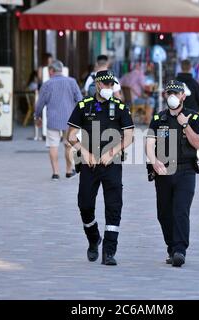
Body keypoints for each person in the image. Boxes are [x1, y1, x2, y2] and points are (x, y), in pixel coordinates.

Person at [66, 70, 134, 266]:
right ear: (97, 85)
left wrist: (111, 152)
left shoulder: (120, 107)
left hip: (112, 165)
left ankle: (109, 252)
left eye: (112, 85)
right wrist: (84, 152)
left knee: (114, 207)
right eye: (105, 85)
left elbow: (129, 137)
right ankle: (94, 238)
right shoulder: (83, 106)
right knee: (85, 205)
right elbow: (70, 136)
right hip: (89, 165)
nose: (109, 89)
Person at [146, 80, 199, 267]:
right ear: (165, 95)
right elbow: (149, 143)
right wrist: (153, 160)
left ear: (183, 96)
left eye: (176, 93)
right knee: (163, 214)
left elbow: (198, 144)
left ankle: (180, 250)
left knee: (180, 211)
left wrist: (185, 126)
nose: (173, 96)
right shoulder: (158, 118)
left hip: (186, 170)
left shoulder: (193, 118)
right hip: (163, 171)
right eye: (169, 92)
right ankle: (171, 247)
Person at [34, 60, 83, 181]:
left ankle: (55, 173)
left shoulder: (47, 84)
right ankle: (68, 171)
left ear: (51, 71)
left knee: (53, 145)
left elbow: (40, 103)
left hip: (53, 120)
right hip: (70, 120)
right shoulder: (72, 82)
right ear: (61, 70)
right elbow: (80, 100)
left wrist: (37, 116)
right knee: (69, 145)